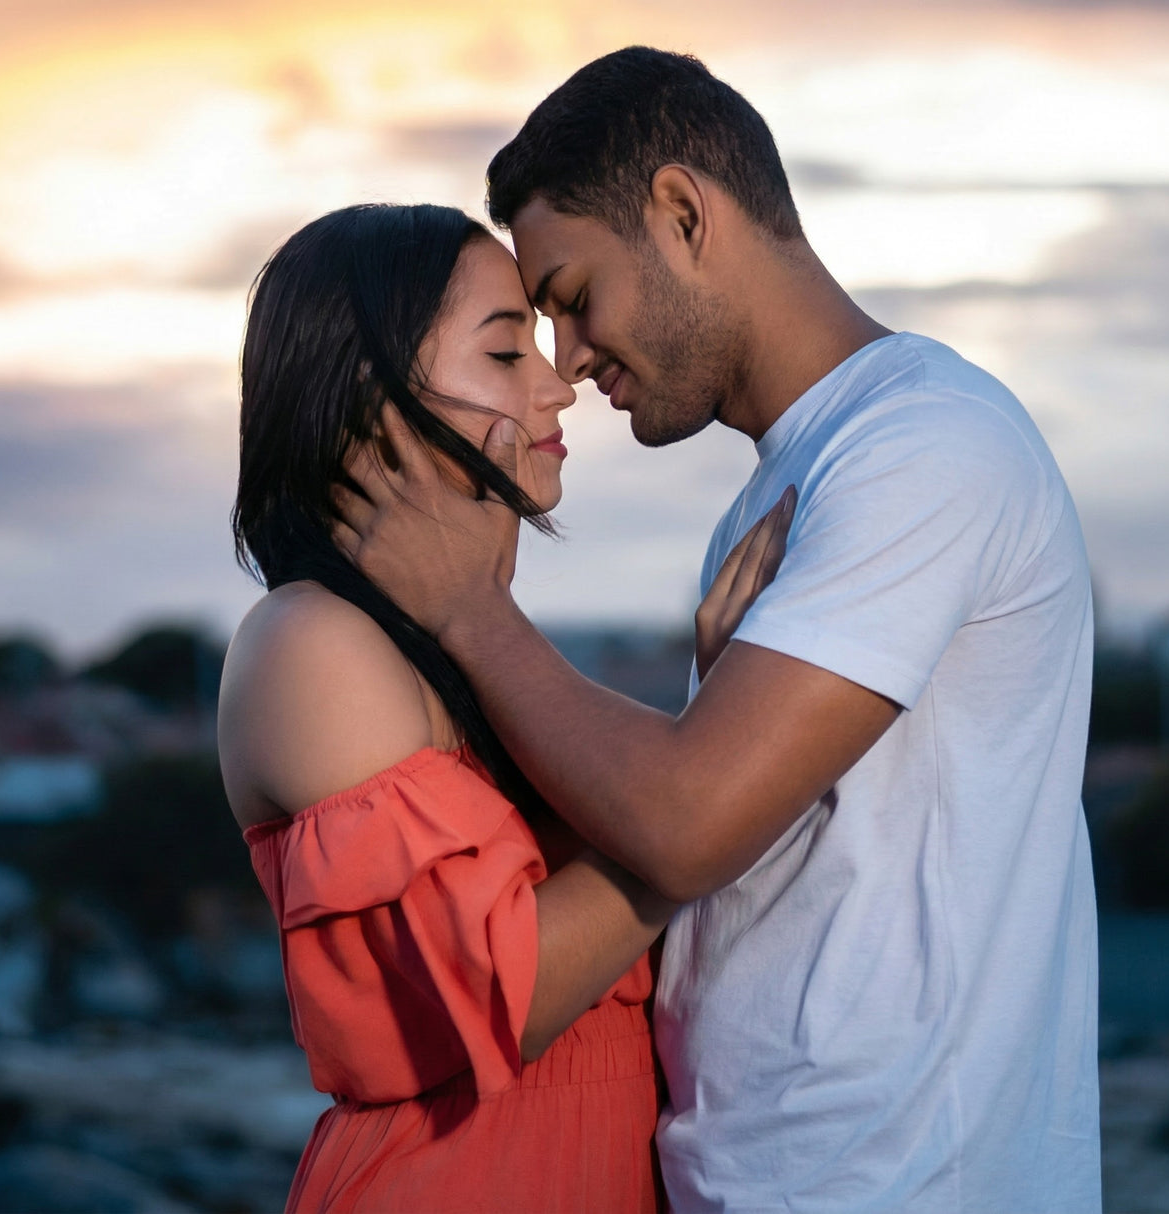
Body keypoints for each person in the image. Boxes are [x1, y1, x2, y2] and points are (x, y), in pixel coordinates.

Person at [332, 48, 1102, 1214]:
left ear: (683, 213)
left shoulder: (923, 447)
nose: (571, 364)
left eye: (574, 300)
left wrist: (468, 611)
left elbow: (688, 821)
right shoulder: (791, 485)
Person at [218, 201, 791, 1212]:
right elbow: (508, 990)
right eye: (503, 350)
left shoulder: (461, 649)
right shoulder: (310, 641)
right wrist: (706, 797)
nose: (555, 382)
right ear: (372, 399)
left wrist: (708, 737)